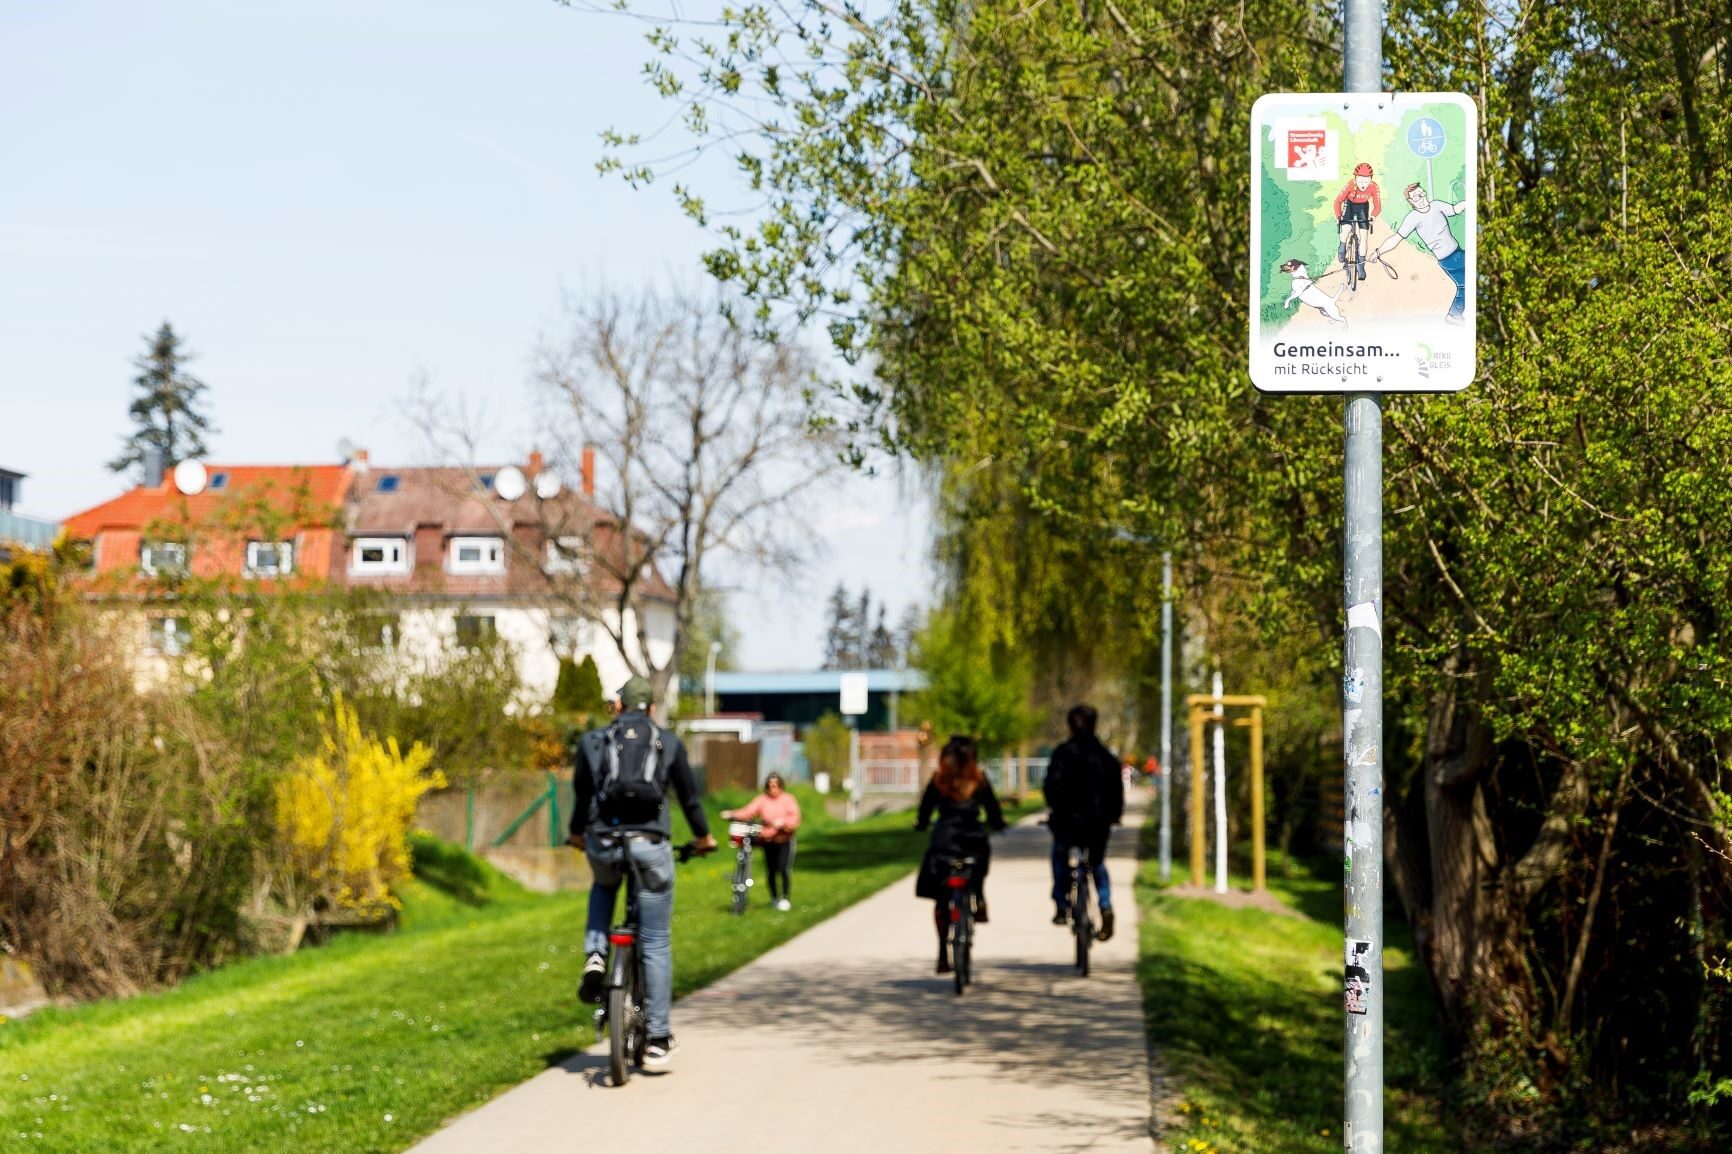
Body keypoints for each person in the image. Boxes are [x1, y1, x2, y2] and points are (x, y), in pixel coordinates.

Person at [569, 676, 716, 1067]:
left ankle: (596, 954)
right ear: (651, 708)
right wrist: (703, 838)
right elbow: (689, 798)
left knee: (603, 886)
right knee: (654, 940)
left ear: (618, 706)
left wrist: (576, 833)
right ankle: (657, 1037)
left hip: (603, 839)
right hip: (650, 844)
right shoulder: (667, 741)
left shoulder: (593, 741)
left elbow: (582, 794)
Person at [914, 735, 1006, 974]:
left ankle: (943, 955)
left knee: (941, 898)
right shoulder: (979, 779)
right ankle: (979, 897)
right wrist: (997, 823)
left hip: (945, 841)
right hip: (973, 839)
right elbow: (993, 811)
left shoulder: (939, 780)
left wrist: (921, 823)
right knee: (979, 865)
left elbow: (924, 811)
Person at [1043, 704, 1125, 941]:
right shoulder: (1105, 756)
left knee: (1060, 855)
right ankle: (1106, 906)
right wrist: (1115, 815)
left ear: (1070, 725)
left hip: (1067, 823)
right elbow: (1116, 790)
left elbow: (1050, 786)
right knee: (1097, 864)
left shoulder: (1062, 753)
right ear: (1094, 724)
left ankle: (1060, 904)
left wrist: (1055, 810)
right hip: (1098, 823)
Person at [1367, 182, 1470, 324]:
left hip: (1456, 252)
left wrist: (1467, 202)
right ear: (1411, 202)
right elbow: (1396, 238)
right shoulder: (1413, 218)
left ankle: (1454, 315)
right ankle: (1455, 315)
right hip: (1449, 259)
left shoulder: (1436, 205)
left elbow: (1455, 209)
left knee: (1464, 284)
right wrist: (1378, 252)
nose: (1421, 198)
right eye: (1416, 197)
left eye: (1422, 194)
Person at [721, 773, 803, 911]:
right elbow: (748, 811)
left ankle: (785, 898)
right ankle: (774, 898)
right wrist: (731, 814)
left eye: (775, 786)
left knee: (783, 868)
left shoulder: (788, 799)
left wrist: (783, 823)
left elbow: (795, 819)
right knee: (770, 870)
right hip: (768, 840)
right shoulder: (762, 800)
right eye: (769, 786)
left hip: (784, 840)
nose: (772, 789)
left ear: (781, 786)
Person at [1332, 161, 1383, 286]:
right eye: (1360, 180)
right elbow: (1337, 201)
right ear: (1355, 178)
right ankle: (1342, 247)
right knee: (1346, 229)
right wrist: (1339, 216)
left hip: (1362, 208)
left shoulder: (1374, 187)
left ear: (1371, 179)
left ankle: (1360, 267)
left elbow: (1377, 206)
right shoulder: (1350, 184)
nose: (1363, 184)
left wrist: (1373, 216)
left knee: (1364, 236)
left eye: (1366, 181)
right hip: (1349, 205)